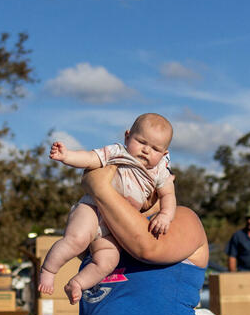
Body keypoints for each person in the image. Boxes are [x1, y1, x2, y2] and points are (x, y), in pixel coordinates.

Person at [74, 165, 208, 315]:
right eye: (124, 176)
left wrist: (98, 187)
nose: (131, 183)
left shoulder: (184, 218)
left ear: (167, 180)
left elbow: (147, 248)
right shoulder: (104, 231)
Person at [39, 113, 177, 303]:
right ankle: (48, 270)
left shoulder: (161, 171)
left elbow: (168, 195)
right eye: (141, 142)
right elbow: (90, 158)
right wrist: (67, 156)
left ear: (165, 154)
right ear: (127, 137)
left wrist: (165, 215)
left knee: (108, 261)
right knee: (76, 240)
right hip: (93, 209)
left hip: (114, 228)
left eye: (155, 149)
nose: (146, 150)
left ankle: (77, 283)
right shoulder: (118, 152)